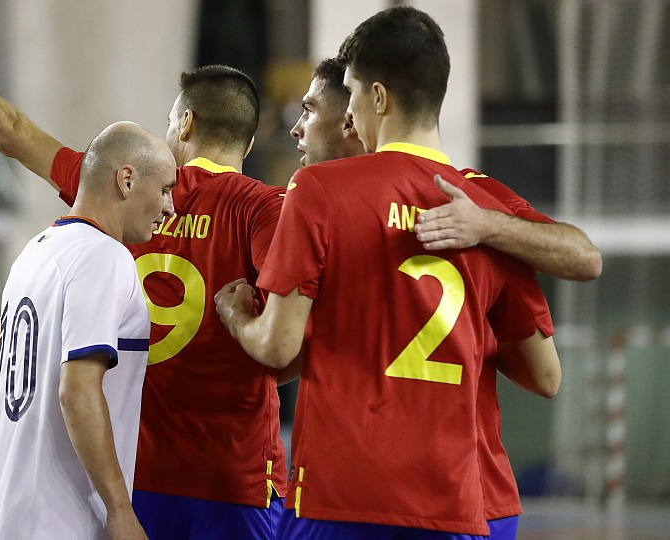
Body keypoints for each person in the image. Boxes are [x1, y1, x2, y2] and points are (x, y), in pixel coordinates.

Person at [0, 33, 289, 537]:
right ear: (251, 141)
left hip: (130, 475)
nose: (170, 201)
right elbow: (287, 345)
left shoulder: (104, 204)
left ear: (185, 124)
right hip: (231, 476)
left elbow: (11, 132)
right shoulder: (265, 208)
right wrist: (238, 328)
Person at [216, 7, 559, 538]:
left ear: (376, 98)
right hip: (456, 494)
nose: (345, 116)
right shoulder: (488, 212)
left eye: (348, 97)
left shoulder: (321, 193)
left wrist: (237, 318)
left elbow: (279, 349)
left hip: (340, 492)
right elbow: (545, 375)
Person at [292, 56, 597, 537]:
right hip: (469, 493)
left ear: (357, 118)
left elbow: (278, 352)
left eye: (309, 110)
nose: (297, 129)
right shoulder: (475, 201)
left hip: (350, 492)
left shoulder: (317, 202)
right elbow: (544, 373)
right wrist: (461, 332)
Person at [0, 121, 175, 540]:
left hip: (5, 514)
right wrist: (120, 509)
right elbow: (77, 391)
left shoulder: (32, 254)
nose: (170, 207)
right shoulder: (104, 256)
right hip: (61, 520)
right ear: (126, 179)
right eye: (164, 189)